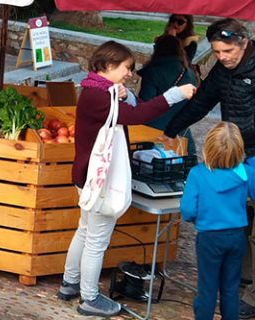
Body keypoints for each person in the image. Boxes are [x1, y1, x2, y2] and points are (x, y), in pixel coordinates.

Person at [57, 41, 195, 317]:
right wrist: (175, 95)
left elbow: (129, 106)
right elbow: (138, 115)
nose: (130, 73)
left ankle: (69, 284)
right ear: (108, 66)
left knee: (85, 231)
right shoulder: (98, 97)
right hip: (99, 180)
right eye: (126, 68)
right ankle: (89, 299)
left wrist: (124, 94)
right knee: (96, 240)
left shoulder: (94, 88)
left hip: (85, 175)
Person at [160, 18, 255, 318]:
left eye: (227, 51)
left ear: (244, 43)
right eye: (216, 52)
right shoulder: (222, 72)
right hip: (235, 153)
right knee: (242, 215)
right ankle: (241, 279)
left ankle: (251, 294)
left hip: (249, 152)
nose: (222, 57)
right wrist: (172, 129)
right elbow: (201, 102)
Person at [180, 122, 255, 320]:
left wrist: (197, 218)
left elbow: (187, 210)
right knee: (230, 289)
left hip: (209, 238)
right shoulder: (245, 173)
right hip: (237, 237)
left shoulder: (198, 173)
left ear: (208, 147)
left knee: (207, 289)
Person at [137, 35, 198, 155]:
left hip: (153, 132)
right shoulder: (189, 73)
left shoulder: (153, 72)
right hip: (180, 132)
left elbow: (146, 103)